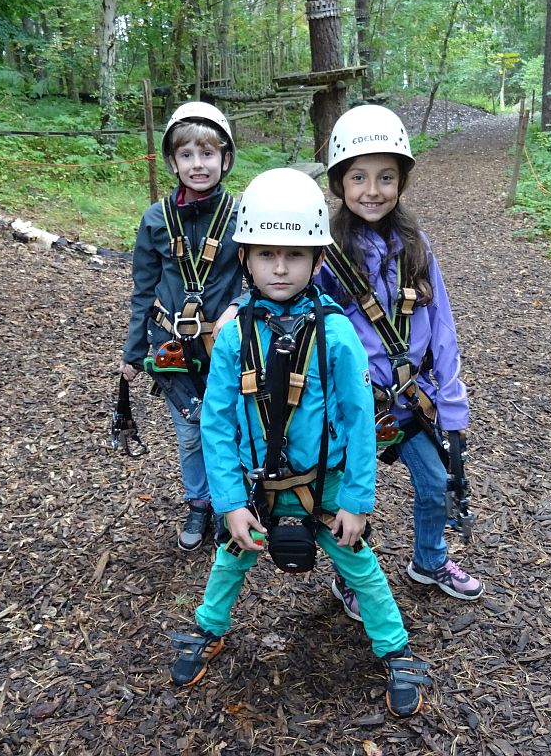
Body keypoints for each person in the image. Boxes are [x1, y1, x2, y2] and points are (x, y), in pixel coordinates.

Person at [169, 168, 432, 718]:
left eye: (294, 255)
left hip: (327, 484)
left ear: (317, 260)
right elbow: (216, 422)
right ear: (245, 258)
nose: (281, 267)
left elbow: (361, 423)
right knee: (231, 556)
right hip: (257, 486)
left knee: (360, 563)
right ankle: (209, 627)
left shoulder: (336, 334)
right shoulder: (234, 333)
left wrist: (359, 500)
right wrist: (230, 502)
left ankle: (397, 649)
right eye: (266, 255)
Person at [317, 104, 484, 621]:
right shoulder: (328, 252)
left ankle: (429, 560)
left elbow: (442, 326)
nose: (373, 190)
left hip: (410, 401)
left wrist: (450, 399)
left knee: (436, 485)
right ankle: (351, 577)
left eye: (386, 177)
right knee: (345, 500)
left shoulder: (415, 247)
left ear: (401, 182)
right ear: (340, 182)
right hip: (354, 405)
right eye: (359, 177)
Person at [121, 101, 242, 551]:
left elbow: (263, 277)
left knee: (229, 424)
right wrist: (133, 352)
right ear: (172, 161)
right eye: (187, 155)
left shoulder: (240, 215)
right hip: (172, 346)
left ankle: (233, 501)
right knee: (189, 432)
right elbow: (142, 288)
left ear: (225, 158)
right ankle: (200, 501)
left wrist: (241, 306)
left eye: (207, 153)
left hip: (228, 342)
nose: (198, 164)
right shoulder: (155, 220)